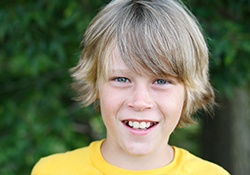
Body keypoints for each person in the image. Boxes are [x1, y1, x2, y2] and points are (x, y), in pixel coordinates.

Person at [31, 0, 230, 174]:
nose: (140, 102)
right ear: (96, 82)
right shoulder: (51, 171)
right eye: (121, 79)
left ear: (188, 91)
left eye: (161, 81)